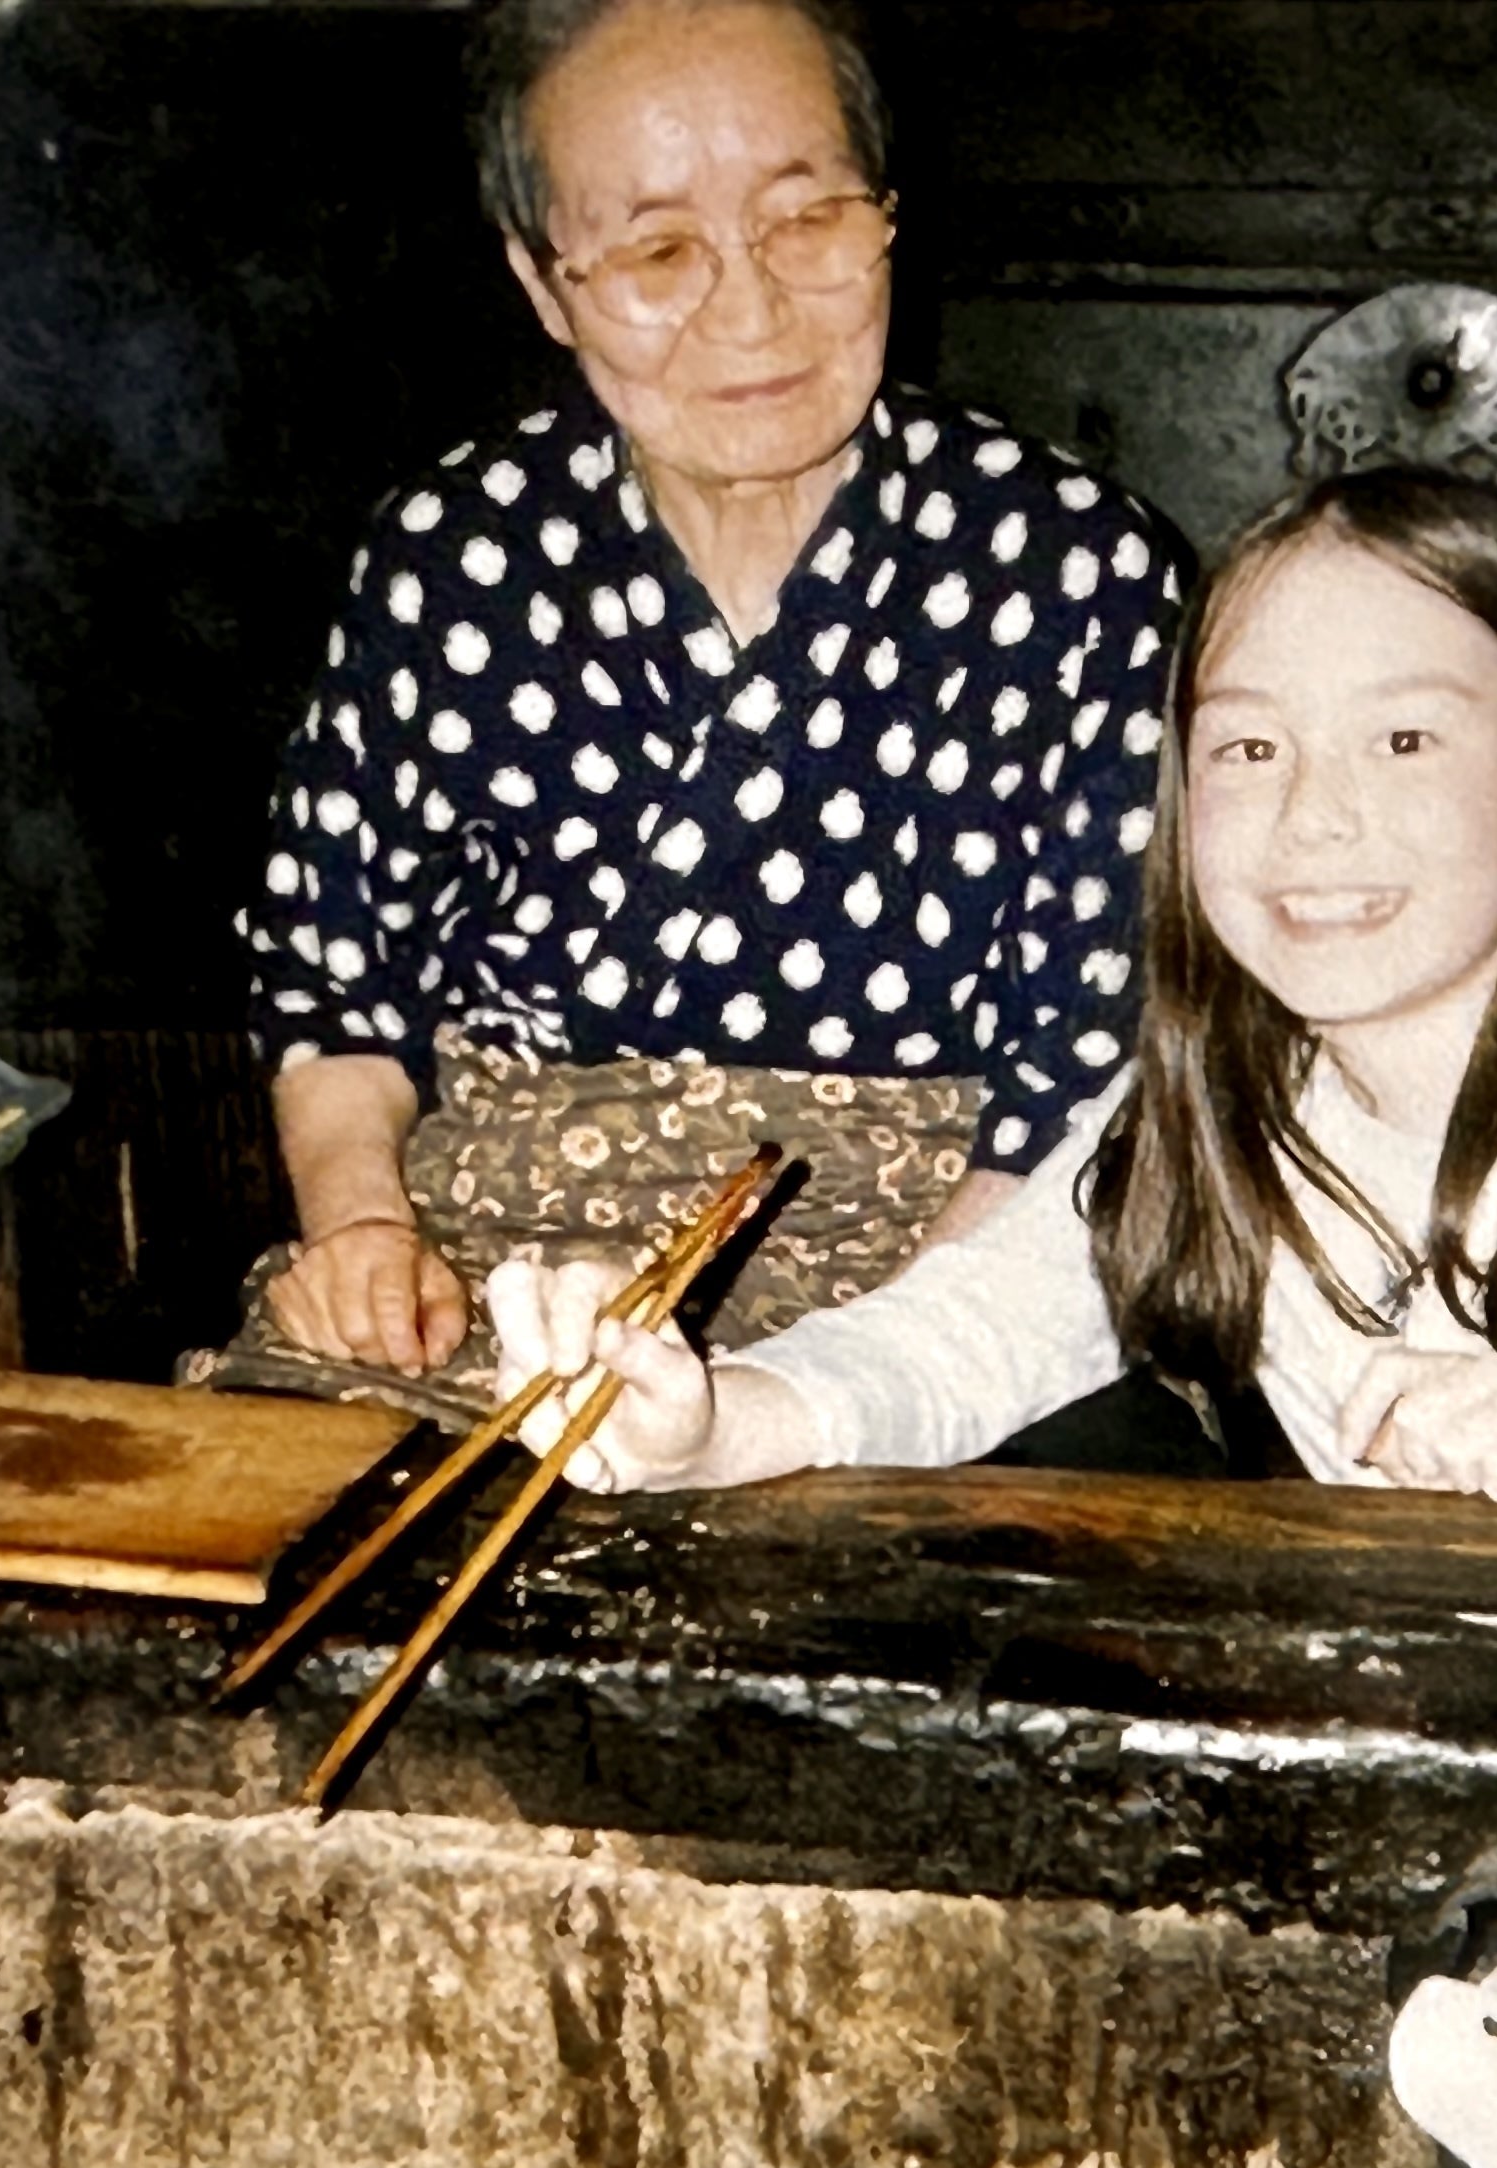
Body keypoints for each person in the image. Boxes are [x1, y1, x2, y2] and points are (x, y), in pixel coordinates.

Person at [485, 466, 1497, 1500]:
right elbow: (962, 1335)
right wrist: (701, 1423)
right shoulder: (1224, 1108)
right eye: (1250, 747)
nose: (1312, 819)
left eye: (1404, 741)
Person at [230, 0, 1190, 1423]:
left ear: (888, 215)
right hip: (499, 1274)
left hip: (935, 1294)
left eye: (809, 221)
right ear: (544, 283)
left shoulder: (1076, 572)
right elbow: (337, 971)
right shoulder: (456, 554)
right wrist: (366, 1232)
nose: (749, 313)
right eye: (658, 253)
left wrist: (849, 1384)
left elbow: (1082, 1083)